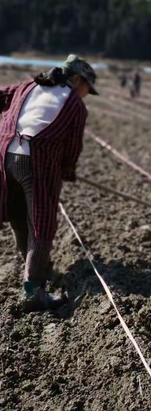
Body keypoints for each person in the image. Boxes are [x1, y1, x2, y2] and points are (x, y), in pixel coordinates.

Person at [0, 54, 98, 311]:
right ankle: (33, 291)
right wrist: (67, 170)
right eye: (88, 88)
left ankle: (35, 268)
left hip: (7, 156)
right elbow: (72, 148)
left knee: (20, 216)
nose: (86, 94)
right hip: (36, 163)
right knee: (41, 227)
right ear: (76, 79)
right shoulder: (75, 105)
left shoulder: (28, 86)